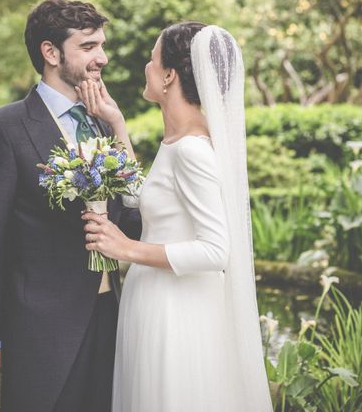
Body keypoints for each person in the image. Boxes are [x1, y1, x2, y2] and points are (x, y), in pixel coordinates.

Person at [0, 0, 140, 412]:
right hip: (40, 327)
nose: (103, 58)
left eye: (102, 45)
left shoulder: (100, 120)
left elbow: (128, 217)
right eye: (89, 46)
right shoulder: (1, 128)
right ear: (50, 52)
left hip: (108, 314)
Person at [81, 22, 273, 411]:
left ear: (169, 75)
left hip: (177, 311)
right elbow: (143, 196)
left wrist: (127, 248)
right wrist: (116, 122)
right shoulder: (178, 142)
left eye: (152, 60)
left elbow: (216, 250)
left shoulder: (191, 151)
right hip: (154, 298)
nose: (146, 68)